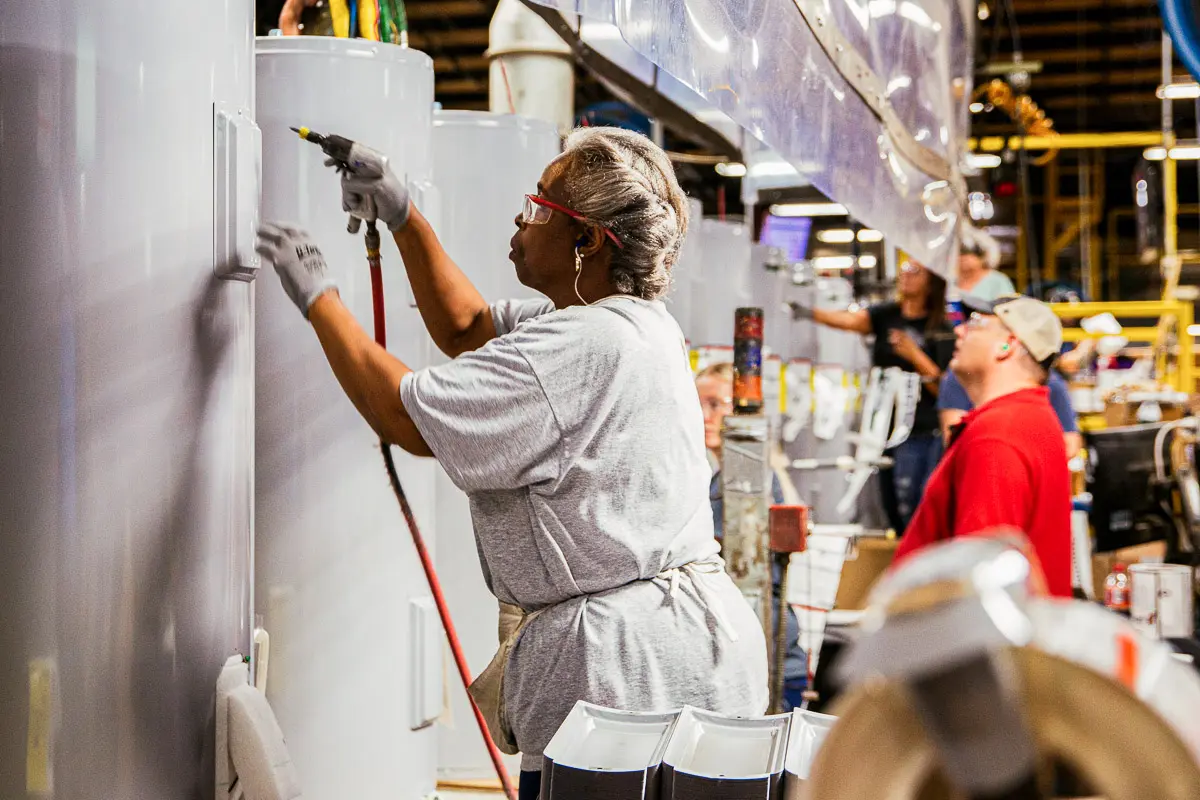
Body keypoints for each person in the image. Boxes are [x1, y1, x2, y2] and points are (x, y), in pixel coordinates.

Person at [254, 127, 767, 799]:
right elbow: (465, 328)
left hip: (623, 674)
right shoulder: (628, 321)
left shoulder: (581, 344)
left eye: (540, 208)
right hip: (683, 645)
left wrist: (318, 295)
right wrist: (403, 214)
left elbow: (403, 418)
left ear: (587, 241)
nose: (521, 220)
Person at [893, 294, 1073, 597]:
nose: (960, 331)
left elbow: (980, 583)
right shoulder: (1026, 418)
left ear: (1008, 346)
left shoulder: (997, 435)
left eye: (975, 324)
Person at [792, 259, 955, 534]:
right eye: (903, 269)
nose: (905, 275)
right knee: (889, 500)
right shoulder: (886, 315)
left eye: (915, 271)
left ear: (931, 281)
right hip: (880, 428)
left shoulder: (940, 328)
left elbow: (944, 389)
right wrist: (806, 311)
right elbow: (849, 321)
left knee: (911, 499)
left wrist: (914, 355)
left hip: (919, 430)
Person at [695, 362, 806, 709]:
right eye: (696, 403)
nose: (703, 415)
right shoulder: (719, 480)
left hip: (767, 660)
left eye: (715, 403)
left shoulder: (748, 478)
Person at [938, 369, 1082, 459]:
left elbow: (1070, 444)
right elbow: (953, 440)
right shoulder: (958, 376)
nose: (959, 331)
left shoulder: (1051, 384)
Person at [957, 222, 1015, 301]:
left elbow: (1008, 309)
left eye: (970, 253)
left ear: (984, 255)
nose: (964, 258)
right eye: (960, 253)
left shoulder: (998, 281)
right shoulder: (948, 280)